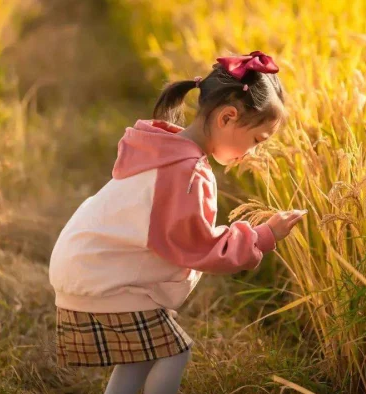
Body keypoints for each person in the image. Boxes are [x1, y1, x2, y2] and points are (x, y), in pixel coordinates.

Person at [49, 50, 307, 394]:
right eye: (257, 140)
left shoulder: (164, 149)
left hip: (87, 267)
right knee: (174, 353)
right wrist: (264, 235)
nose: (254, 153)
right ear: (227, 117)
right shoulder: (185, 173)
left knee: (141, 357)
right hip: (103, 280)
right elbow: (198, 247)